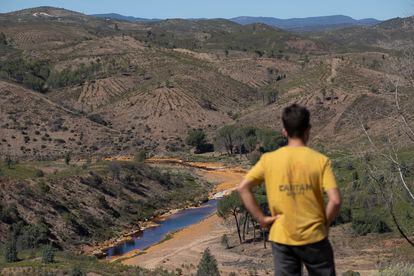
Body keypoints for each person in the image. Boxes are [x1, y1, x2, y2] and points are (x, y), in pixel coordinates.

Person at [237, 104, 341, 276]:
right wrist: (324, 223)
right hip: (314, 236)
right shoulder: (320, 160)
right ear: (308, 129)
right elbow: (335, 200)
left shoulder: (268, 160)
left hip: (282, 236)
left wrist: (262, 218)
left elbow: (243, 188)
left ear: (284, 131)